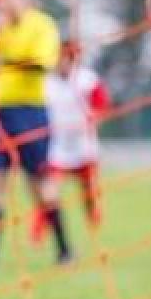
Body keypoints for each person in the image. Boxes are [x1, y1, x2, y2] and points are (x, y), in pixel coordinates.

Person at [0, 0, 70, 265]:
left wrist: (4, 61)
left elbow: (43, 64)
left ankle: (64, 250)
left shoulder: (42, 24)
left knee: (39, 184)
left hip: (31, 111)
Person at [44, 40, 110, 231]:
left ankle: (93, 220)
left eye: (64, 58)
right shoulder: (46, 83)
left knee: (88, 189)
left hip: (84, 145)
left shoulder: (87, 80)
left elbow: (102, 105)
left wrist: (93, 120)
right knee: (49, 189)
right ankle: (42, 230)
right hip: (57, 146)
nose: (60, 62)